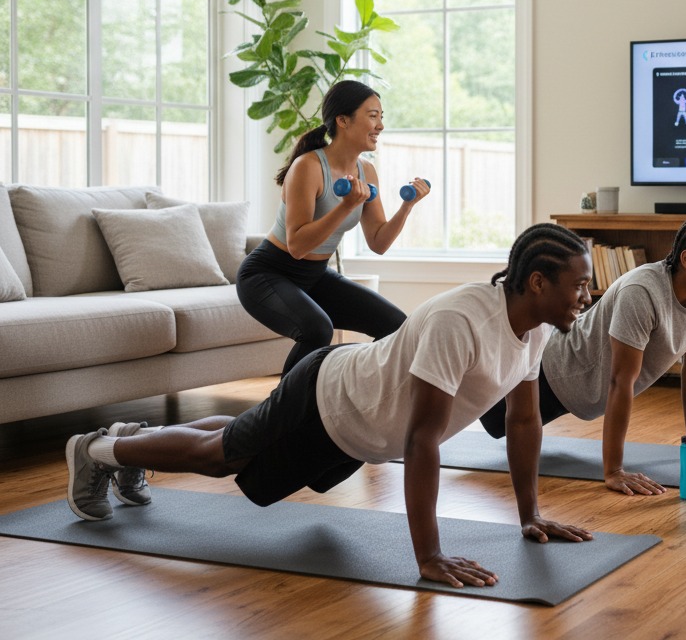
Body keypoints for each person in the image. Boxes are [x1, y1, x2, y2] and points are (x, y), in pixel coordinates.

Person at [65, 223, 596, 589]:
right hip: (328, 396)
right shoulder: (461, 322)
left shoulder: (532, 330)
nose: (587, 296)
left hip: (358, 428)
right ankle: (100, 450)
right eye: (580, 285)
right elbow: (422, 440)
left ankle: (133, 439)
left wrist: (531, 515)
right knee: (224, 456)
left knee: (252, 456)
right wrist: (429, 555)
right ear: (536, 282)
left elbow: (523, 420)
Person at [480, 214, 686, 495]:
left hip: (579, 390)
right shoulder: (642, 292)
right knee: (479, 418)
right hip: (551, 370)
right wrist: (613, 470)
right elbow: (620, 381)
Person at [237, 79, 432, 376]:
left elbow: (378, 242)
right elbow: (298, 246)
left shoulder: (366, 170)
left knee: (395, 325)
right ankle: (279, 415)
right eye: (372, 116)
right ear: (343, 120)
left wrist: (407, 206)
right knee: (316, 329)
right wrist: (346, 205)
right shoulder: (308, 167)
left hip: (314, 276)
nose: (380, 125)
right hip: (267, 274)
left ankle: (360, 398)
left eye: (381, 116)